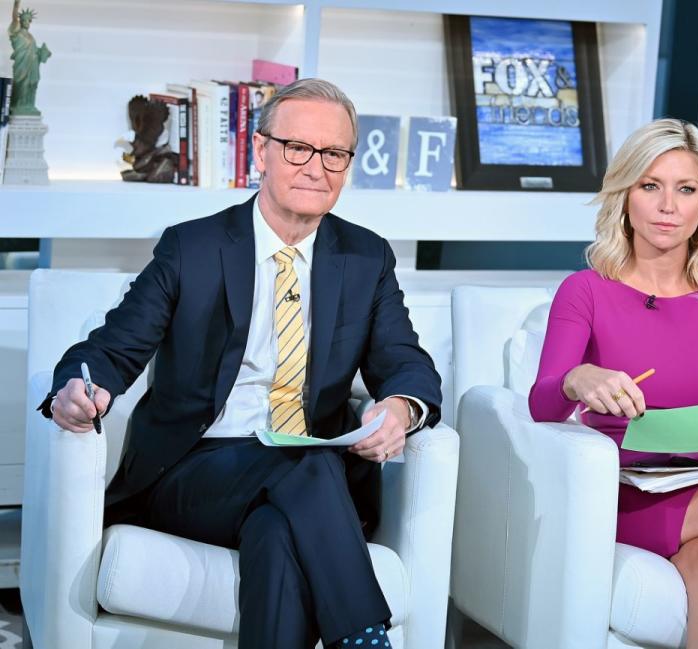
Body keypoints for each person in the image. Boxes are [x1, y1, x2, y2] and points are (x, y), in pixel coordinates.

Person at [40, 78, 442, 649]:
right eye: (297, 148)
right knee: (307, 466)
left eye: (334, 154)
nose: (316, 168)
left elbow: (405, 361)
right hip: (193, 471)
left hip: (305, 486)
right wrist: (81, 388)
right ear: (261, 152)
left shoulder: (365, 256)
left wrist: (402, 407)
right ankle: (364, 638)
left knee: (277, 533)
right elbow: (111, 347)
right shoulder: (194, 247)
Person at [529, 118, 698, 648]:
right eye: (650, 186)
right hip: (626, 496)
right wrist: (579, 378)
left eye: (685, 189)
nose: (667, 206)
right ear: (625, 196)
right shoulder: (585, 291)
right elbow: (542, 404)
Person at [8, 0, 52, 116]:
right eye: (25, 20)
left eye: (29, 20)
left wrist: (43, 52)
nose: (27, 22)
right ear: (21, 21)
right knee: (21, 84)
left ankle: (28, 106)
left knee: (32, 84)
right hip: (21, 65)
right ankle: (18, 105)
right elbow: (14, 19)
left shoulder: (31, 36)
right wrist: (16, 5)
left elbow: (34, 49)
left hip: (32, 64)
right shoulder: (17, 33)